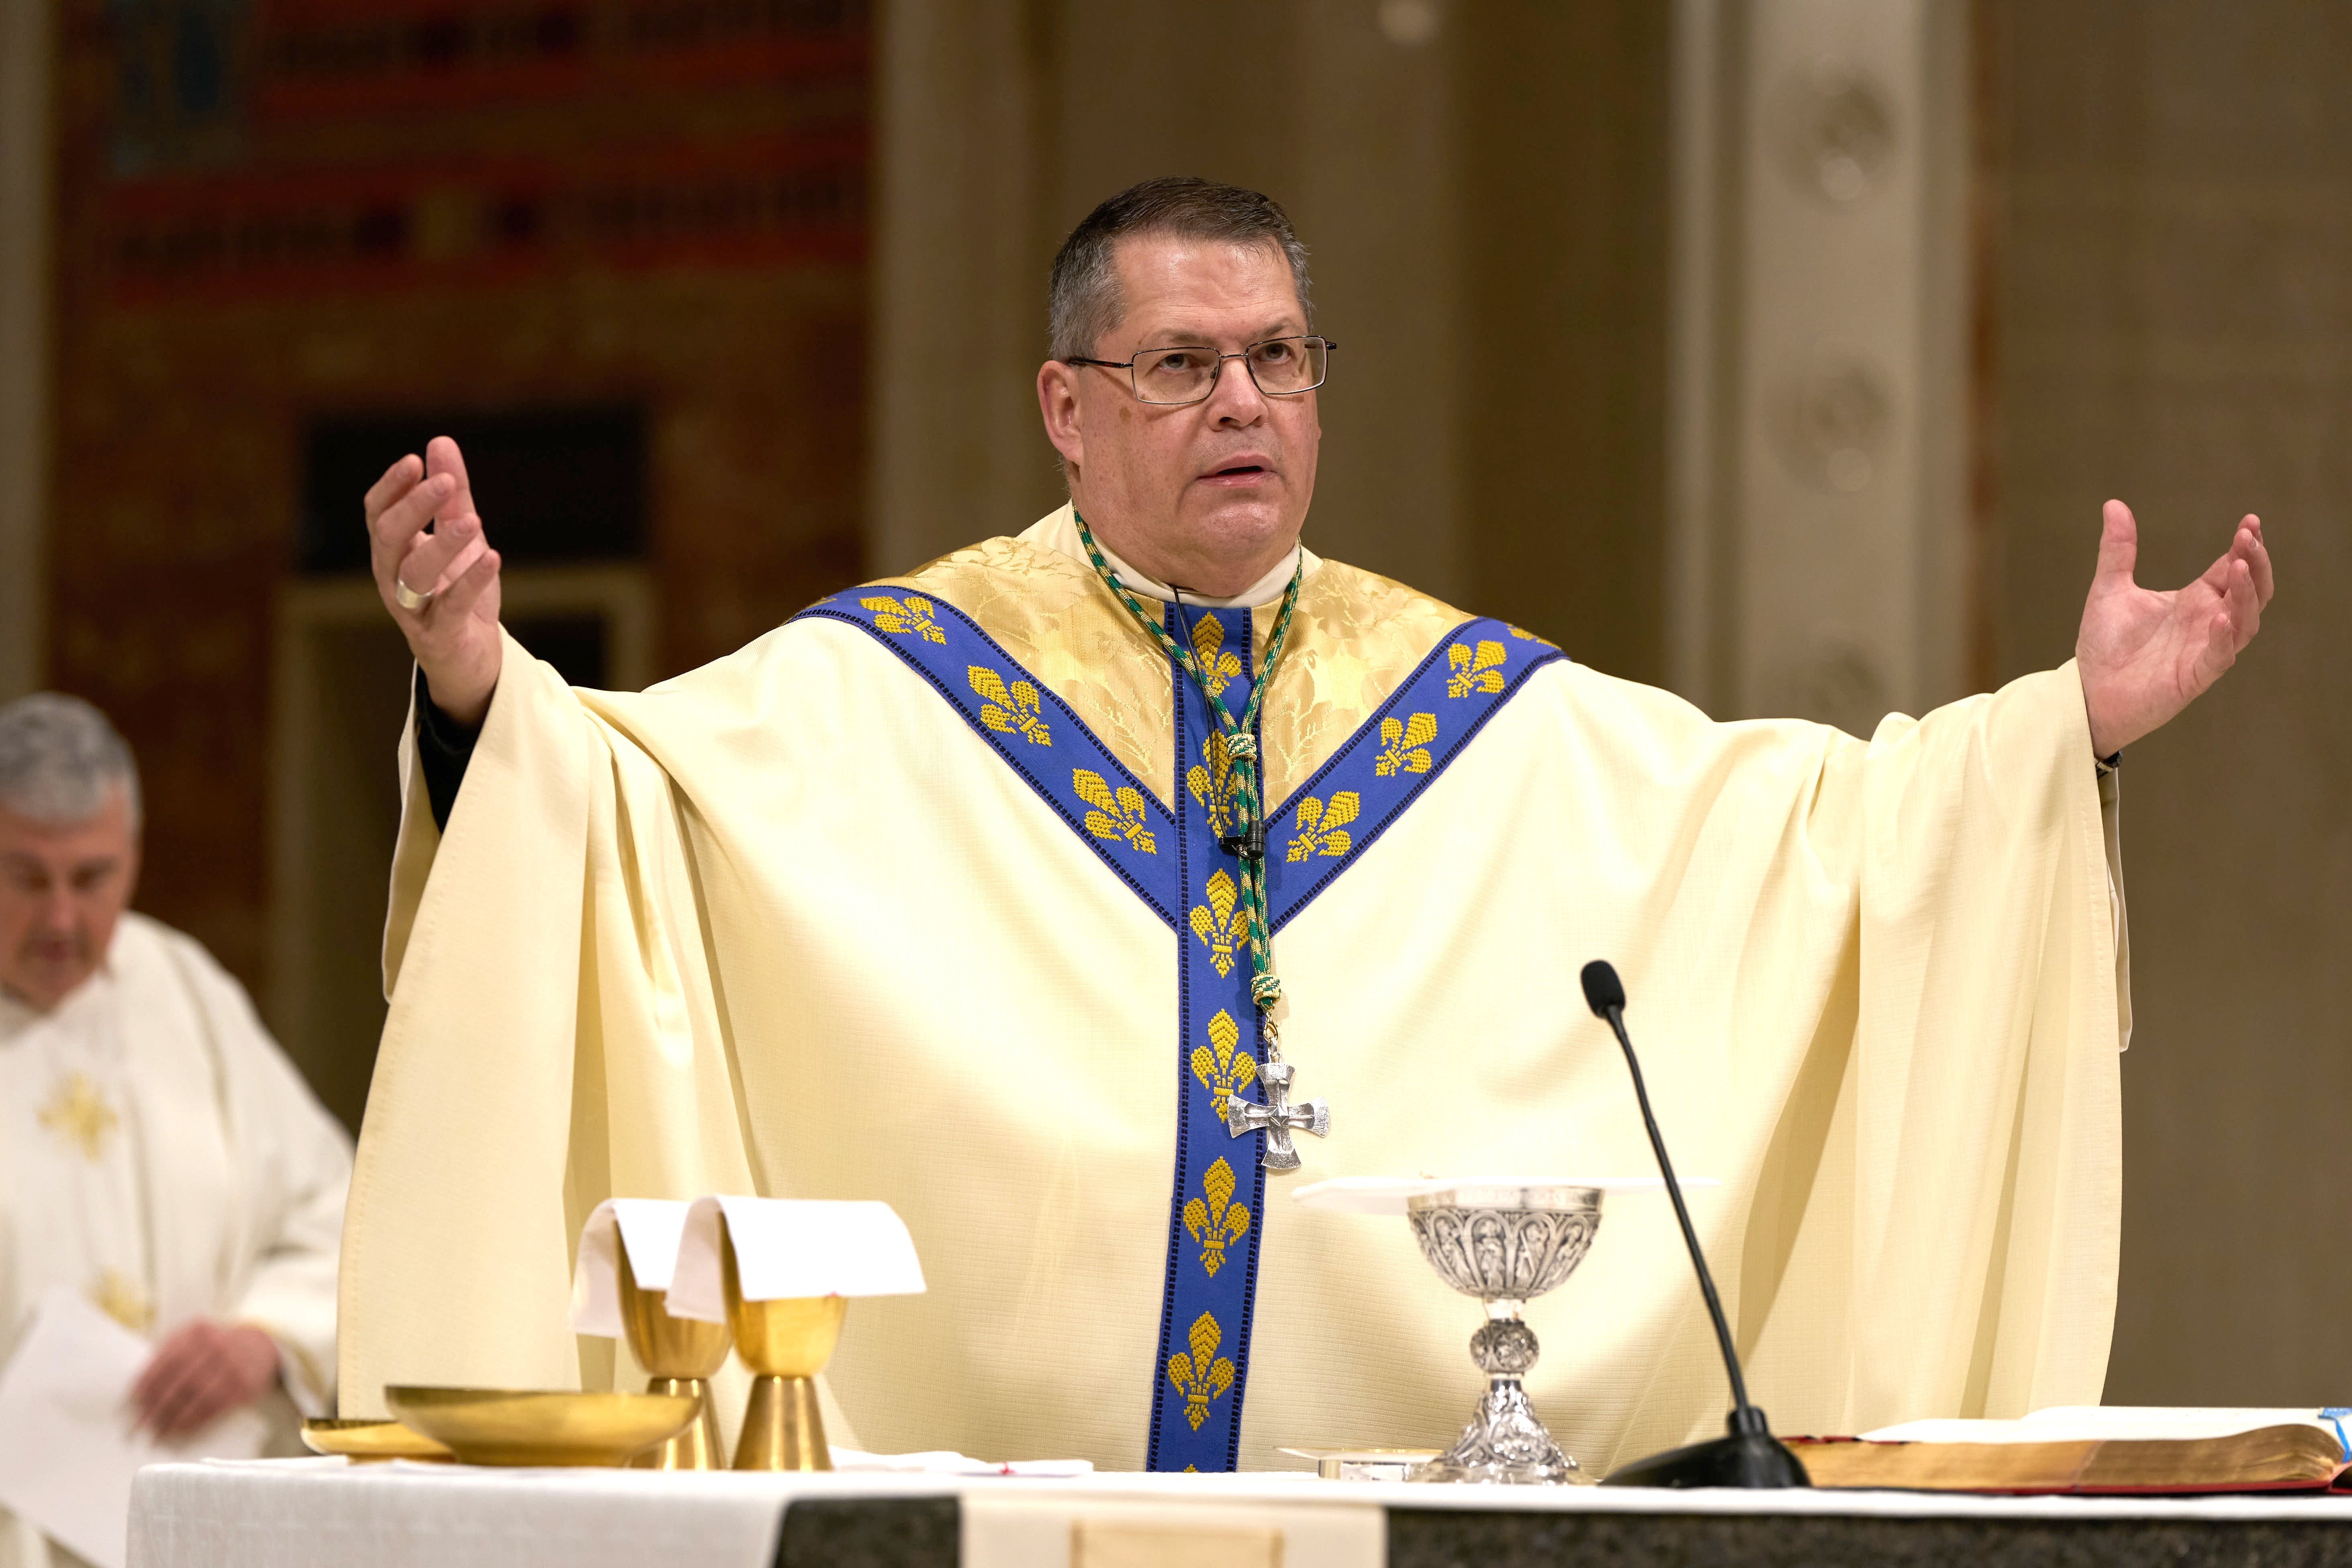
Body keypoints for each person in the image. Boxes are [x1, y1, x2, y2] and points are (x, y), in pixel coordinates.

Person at [339, 178, 2271, 1474]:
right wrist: (479, 682)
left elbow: (1818, 839)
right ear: (1066, 408)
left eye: (1279, 357)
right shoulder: (890, 684)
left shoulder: (1464, 698)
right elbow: (618, 808)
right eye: (1182, 365)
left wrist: (2064, 728)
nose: (1243, 401)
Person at [0, 695, 351, 1564]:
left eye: (92, 878)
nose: (60, 920)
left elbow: (338, 1210)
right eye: (26, 877)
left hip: (191, 1523)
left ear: (134, 854)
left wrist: (268, 1337)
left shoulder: (186, 991)